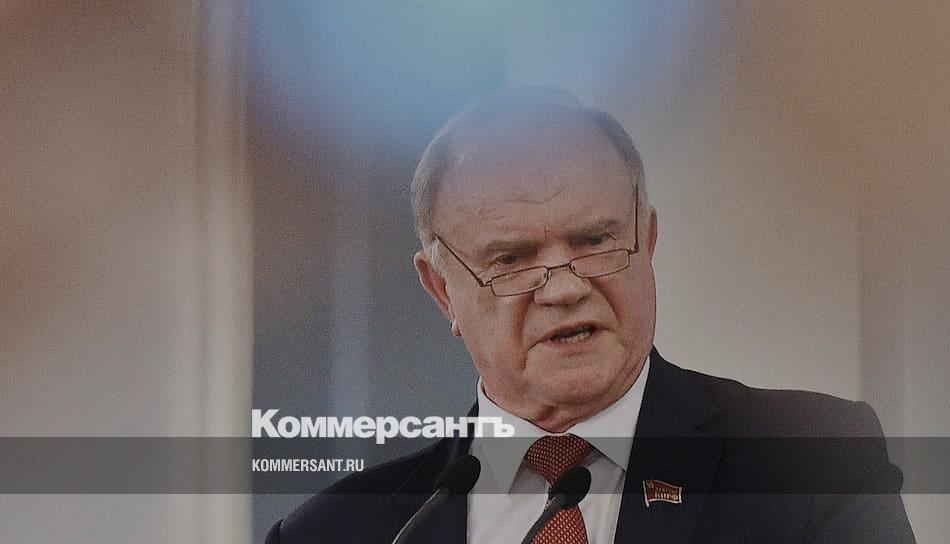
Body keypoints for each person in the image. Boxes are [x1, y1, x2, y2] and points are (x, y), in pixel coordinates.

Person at [265, 88, 915, 543]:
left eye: (595, 241)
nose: (565, 289)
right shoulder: (339, 532)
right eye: (512, 259)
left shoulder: (809, 465)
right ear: (442, 291)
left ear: (647, 239)